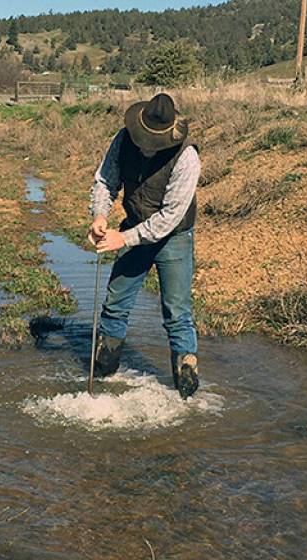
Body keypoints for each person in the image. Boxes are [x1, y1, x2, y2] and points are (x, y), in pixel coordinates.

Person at [88, 93, 201, 399]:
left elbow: (169, 217)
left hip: (174, 236)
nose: (145, 146)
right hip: (133, 225)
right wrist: (100, 215)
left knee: (177, 313)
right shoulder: (123, 140)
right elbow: (105, 181)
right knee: (115, 305)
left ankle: (186, 392)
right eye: (142, 139)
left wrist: (122, 238)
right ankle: (103, 377)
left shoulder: (187, 157)